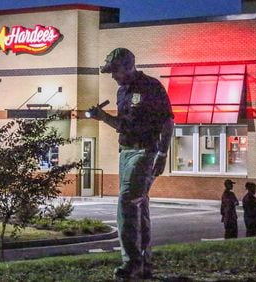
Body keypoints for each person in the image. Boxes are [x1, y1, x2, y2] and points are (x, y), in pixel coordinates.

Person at [90, 47, 174, 280]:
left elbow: (167, 122)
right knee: (139, 206)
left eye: (115, 70)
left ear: (128, 66)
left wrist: (163, 154)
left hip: (145, 152)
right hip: (125, 152)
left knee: (127, 202)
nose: (113, 76)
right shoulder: (121, 92)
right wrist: (102, 117)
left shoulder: (151, 87)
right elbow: (122, 126)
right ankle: (144, 263)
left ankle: (132, 263)